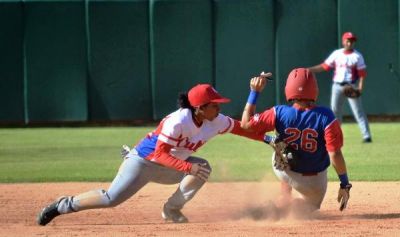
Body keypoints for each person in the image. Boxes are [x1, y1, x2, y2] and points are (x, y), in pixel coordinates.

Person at [37, 83, 267, 226]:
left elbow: (243, 129)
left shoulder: (215, 121)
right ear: (199, 107)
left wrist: (268, 139)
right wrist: (188, 168)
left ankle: (172, 210)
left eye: (218, 104)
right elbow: (159, 155)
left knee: (203, 167)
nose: (218, 108)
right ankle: (63, 205)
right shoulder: (177, 121)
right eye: (214, 105)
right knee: (111, 199)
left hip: (171, 165)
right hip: (143, 162)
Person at [240, 68, 352, 215]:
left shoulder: (278, 112)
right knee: (308, 207)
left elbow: (245, 124)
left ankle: (283, 197)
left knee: (281, 147)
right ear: (314, 89)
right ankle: (286, 208)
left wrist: (254, 92)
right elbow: (335, 154)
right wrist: (344, 183)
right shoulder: (326, 116)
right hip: (313, 182)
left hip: (284, 171)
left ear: (288, 89)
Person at [308, 32, 372, 143]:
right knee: (335, 111)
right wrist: (309, 70)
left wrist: (360, 87)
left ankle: (367, 136)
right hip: (337, 86)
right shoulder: (337, 54)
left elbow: (362, 74)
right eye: (348, 40)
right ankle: (336, 135)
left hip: (351, 86)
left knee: (358, 111)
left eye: (352, 41)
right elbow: (324, 66)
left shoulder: (357, 56)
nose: (350, 42)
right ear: (343, 41)